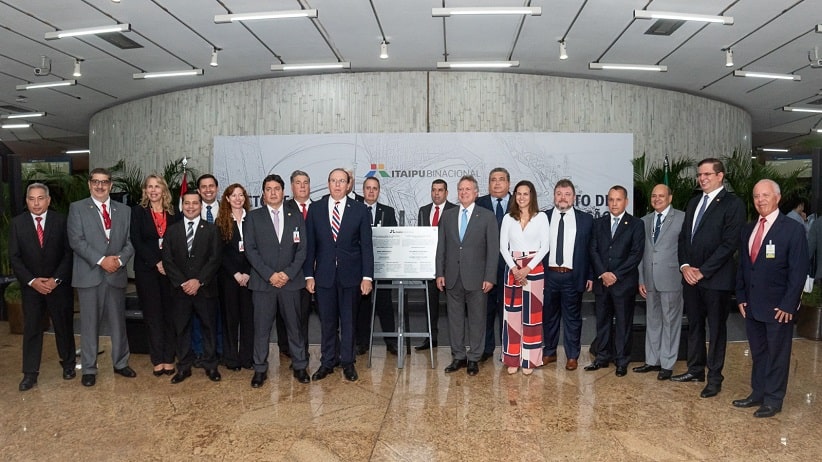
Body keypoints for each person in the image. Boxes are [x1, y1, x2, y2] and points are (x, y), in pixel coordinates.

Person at [734, 179, 808, 418]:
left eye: (765, 195)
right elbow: (743, 268)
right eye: (756, 196)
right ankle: (758, 393)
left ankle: (774, 399)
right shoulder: (748, 229)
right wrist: (741, 298)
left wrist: (789, 303)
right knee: (758, 353)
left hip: (779, 308)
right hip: (752, 307)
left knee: (777, 354)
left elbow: (798, 270)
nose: (760, 200)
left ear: (777, 197)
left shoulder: (792, 229)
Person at [673, 158, 745, 399]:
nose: (702, 178)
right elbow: (683, 238)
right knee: (694, 325)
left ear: (720, 176)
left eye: (707, 174)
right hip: (691, 279)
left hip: (716, 280)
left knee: (716, 329)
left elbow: (729, 244)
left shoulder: (733, 204)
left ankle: (715, 378)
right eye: (699, 174)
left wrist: (703, 270)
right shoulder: (693, 202)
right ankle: (695, 370)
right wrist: (685, 267)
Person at [304, 168, 374, 382]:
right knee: (327, 321)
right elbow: (310, 246)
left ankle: (348, 362)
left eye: (341, 181)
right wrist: (309, 275)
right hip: (323, 276)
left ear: (348, 185)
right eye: (333, 180)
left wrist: (367, 277)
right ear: (328, 183)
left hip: (351, 276)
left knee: (349, 321)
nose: (337, 185)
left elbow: (366, 247)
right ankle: (327, 362)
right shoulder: (315, 209)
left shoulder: (360, 210)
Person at [68, 168, 136, 387]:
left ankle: (120, 362)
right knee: (89, 324)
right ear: (89, 184)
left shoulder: (124, 211)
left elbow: (130, 241)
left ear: (111, 185)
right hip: (90, 275)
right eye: (95, 182)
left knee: (118, 323)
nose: (100, 186)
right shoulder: (77, 208)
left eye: (104, 182)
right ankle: (89, 368)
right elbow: (76, 241)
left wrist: (119, 260)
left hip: (116, 274)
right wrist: (101, 260)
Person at [244, 174, 310, 387]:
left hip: (291, 283)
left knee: (295, 327)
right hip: (264, 284)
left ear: (284, 192)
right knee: (261, 329)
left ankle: (300, 366)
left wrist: (287, 274)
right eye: (268, 189)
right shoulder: (253, 217)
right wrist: (270, 275)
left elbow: (302, 250)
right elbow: (251, 251)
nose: (273, 192)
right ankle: (260, 369)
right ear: (263, 193)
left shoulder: (295, 215)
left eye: (277, 188)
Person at [10, 183, 76, 391]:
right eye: (31, 199)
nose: (36, 203)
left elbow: (68, 254)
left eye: (40, 198)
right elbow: (14, 257)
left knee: (63, 326)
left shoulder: (61, 221)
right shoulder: (17, 224)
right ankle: (30, 373)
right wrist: (32, 281)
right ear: (26, 201)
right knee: (32, 329)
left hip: (58, 286)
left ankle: (68, 365)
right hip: (32, 288)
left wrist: (55, 280)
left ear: (48, 200)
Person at [436, 175, 499, 376]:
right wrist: (439, 273)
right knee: (454, 320)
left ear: (476, 193)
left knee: (477, 320)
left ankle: (474, 358)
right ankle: (458, 356)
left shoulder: (487, 216)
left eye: (468, 189)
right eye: (461, 189)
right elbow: (441, 247)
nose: (464, 192)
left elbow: (493, 250)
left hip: (478, 279)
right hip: (452, 277)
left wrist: (490, 277)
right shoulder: (447, 216)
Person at [162, 190, 223, 384]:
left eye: (195, 203)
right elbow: (168, 260)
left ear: (201, 205)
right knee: (182, 329)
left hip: (204, 289)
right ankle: (184, 367)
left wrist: (198, 281)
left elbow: (215, 259)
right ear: (182, 205)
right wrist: (183, 282)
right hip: (180, 291)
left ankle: (211, 366)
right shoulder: (172, 230)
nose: (190, 207)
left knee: (209, 328)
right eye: (187, 203)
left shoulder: (212, 230)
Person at [585, 185, 644, 377]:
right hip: (603, 283)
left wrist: (615, 275)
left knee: (623, 323)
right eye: (611, 199)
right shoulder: (598, 223)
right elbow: (592, 249)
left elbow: (636, 254)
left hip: (623, 283)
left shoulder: (635, 224)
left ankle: (621, 361)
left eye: (618, 200)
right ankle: (602, 358)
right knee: (602, 321)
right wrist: (603, 273)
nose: (614, 203)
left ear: (626, 202)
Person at [542, 179, 594, 371]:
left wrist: (590, 275)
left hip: (574, 276)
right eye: (559, 194)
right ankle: (549, 352)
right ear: (554, 196)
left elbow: (590, 250)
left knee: (573, 318)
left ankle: (572, 356)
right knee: (549, 317)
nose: (563, 198)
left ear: (574, 197)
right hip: (549, 275)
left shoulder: (586, 220)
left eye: (567, 194)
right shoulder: (543, 217)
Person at [130, 174, 180, 376]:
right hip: (146, 271)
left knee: (170, 315)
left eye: (157, 186)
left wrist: (166, 263)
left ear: (163, 190)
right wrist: (155, 262)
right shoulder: (138, 212)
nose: (153, 190)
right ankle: (157, 359)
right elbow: (136, 240)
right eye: (149, 187)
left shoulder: (174, 213)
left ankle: (169, 358)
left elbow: (177, 242)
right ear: (145, 191)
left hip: (170, 272)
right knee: (152, 316)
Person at [499, 180, 550, 375]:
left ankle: (529, 360)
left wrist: (527, 268)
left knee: (532, 317)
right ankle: (512, 359)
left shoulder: (541, 217)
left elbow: (545, 246)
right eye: (518, 194)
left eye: (525, 194)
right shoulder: (507, 219)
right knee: (512, 317)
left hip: (534, 270)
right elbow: (503, 247)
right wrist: (514, 268)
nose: (521, 197)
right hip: (512, 270)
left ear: (532, 196)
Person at [635, 184, 685, 380]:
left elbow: (686, 249)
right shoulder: (644, 221)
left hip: (672, 278)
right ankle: (651, 360)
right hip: (649, 279)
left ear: (670, 198)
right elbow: (641, 253)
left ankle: (667, 363)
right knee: (653, 321)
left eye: (661, 196)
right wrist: (641, 279)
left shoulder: (682, 218)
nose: (657, 199)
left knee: (670, 322)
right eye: (654, 196)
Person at [355, 176, 399, 355]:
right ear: (363, 190)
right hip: (360, 266)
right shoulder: (356, 210)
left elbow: (394, 236)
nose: (371, 191)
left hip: (382, 265)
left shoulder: (387, 211)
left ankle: (391, 342)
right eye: (368, 188)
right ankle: (362, 342)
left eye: (375, 188)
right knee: (362, 306)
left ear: (379, 191)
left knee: (385, 305)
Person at [215, 184, 254, 371]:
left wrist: (247, 272)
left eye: (241, 195)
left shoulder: (253, 220)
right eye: (234, 195)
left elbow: (256, 249)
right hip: (229, 278)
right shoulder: (221, 222)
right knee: (230, 318)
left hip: (249, 276)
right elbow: (219, 253)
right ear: (227, 199)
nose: (238, 198)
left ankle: (247, 358)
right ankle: (231, 359)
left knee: (248, 318)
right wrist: (235, 273)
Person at [415, 179, 457, 350]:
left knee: (454, 306)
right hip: (429, 266)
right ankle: (431, 338)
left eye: (440, 190)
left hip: (450, 266)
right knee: (430, 304)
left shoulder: (455, 210)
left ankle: (456, 342)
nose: (437, 193)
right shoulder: (423, 211)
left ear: (446, 193)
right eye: (434, 190)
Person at [278, 170, 314, 361]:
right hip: (289, 271)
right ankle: (288, 349)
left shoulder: (319, 208)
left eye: (305, 182)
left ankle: (302, 352)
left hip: (313, 272)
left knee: (304, 315)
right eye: (298, 183)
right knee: (287, 315)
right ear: (291, 187)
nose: (302, 186)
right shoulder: (282, 208)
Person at [476, 167, 511, 362]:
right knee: (485, 312)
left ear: (509, 183)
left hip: (511, 268)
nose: (497, 183)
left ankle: (508, 350)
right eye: (493, 180)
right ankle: (486, 349)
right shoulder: (479, 204)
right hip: (484, 268)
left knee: (509, 313)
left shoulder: (519, 203)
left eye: (501, 179)